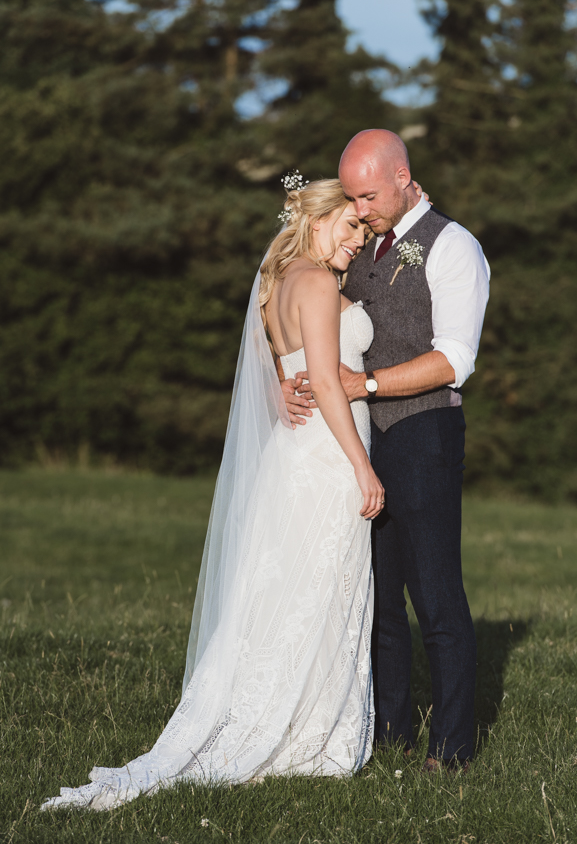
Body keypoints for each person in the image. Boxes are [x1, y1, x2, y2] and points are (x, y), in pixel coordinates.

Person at [41, 178, 384, 811]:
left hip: (293, 456)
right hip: (326, 461)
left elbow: (281, 372)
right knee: (318, 593)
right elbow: (332, 387)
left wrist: (285, 391)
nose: (358, 240)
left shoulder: (274, 283)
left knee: (288, 594)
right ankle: (306, 738)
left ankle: (286, 722)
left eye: (363, 231)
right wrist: (364, 469)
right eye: (350, 226)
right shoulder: (315, 282)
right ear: (318, 220)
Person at [285, 130, 490, 771]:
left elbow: (456, 359)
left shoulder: (454, 247)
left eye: (368, 195)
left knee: (435, 597)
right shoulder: (360, 247)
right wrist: (294, 381)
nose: (360, 208)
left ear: (404, 177)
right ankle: (389, 732)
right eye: (352, 197)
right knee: (377, 603)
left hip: (425, 434)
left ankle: (453, 750)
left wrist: (362, 385)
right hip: (364, 444)